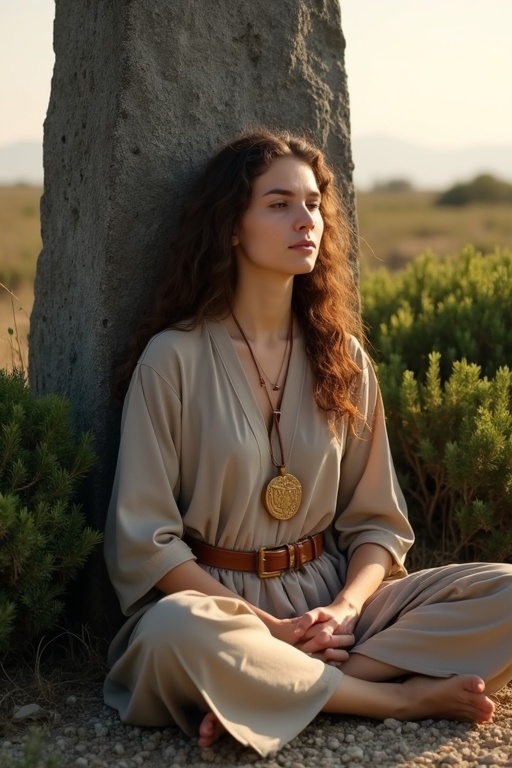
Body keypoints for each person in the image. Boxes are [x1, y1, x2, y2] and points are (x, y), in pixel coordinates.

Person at [103, 128, 512, 757]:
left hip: (331, 606)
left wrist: (345, 610)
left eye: (314, 203)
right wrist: (268, 630)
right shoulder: (174, 358)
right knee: (172, 635)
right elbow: (147, 544)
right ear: (231, 228)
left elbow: (377, 524)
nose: (306, 220)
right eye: (279, 204)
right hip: (219, 609)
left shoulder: (341, 357)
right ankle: (391, 697)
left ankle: (279, 690)